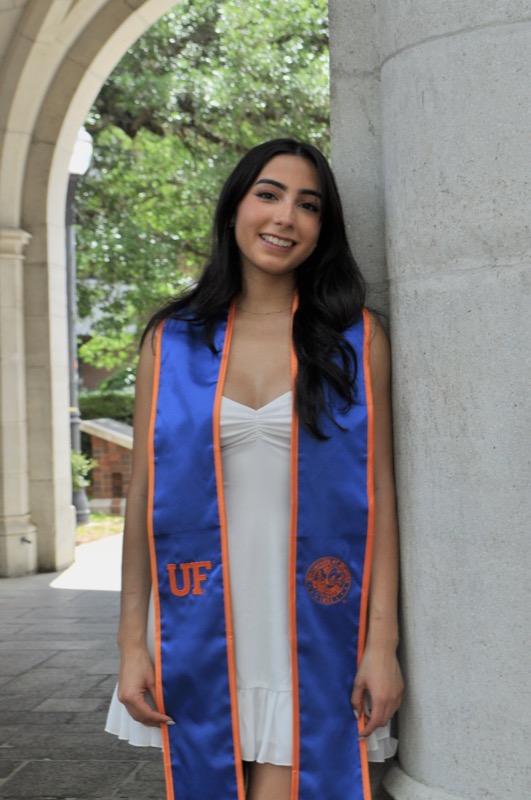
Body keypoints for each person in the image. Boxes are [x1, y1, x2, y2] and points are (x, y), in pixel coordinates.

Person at [105, 138, 404, 800]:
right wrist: (131, 644)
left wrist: (381, 645)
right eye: (268, 194)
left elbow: (380, 496)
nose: (284, 217)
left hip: (311, 622)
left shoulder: (355, 340)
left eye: (308, 205)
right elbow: (143, 499)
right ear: (235, 206)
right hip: (198, 617)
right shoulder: (172, 340)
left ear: (323, 228)